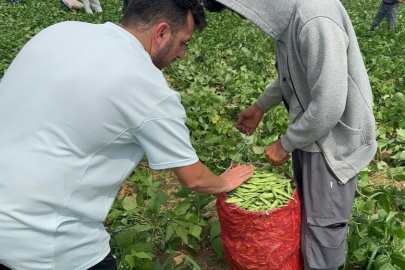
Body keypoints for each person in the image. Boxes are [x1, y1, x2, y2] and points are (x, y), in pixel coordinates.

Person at [0, 0, 253, 269]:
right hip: (46, 246)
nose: (182, 55)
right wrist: (224, 183)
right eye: (183, 42)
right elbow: (195, 179)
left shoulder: (59, 31)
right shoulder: (146, 86)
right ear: (162, 32)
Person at [203, 1, 377, 270]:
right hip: (312, 136)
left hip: (332, 145)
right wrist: (261, 106)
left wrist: (285, 144)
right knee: (309, 218)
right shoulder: (290, 20)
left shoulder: (315, 19)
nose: (240, 16)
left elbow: (329, 104)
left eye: (236, 8)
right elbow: (294, 75)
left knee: (322, 231)